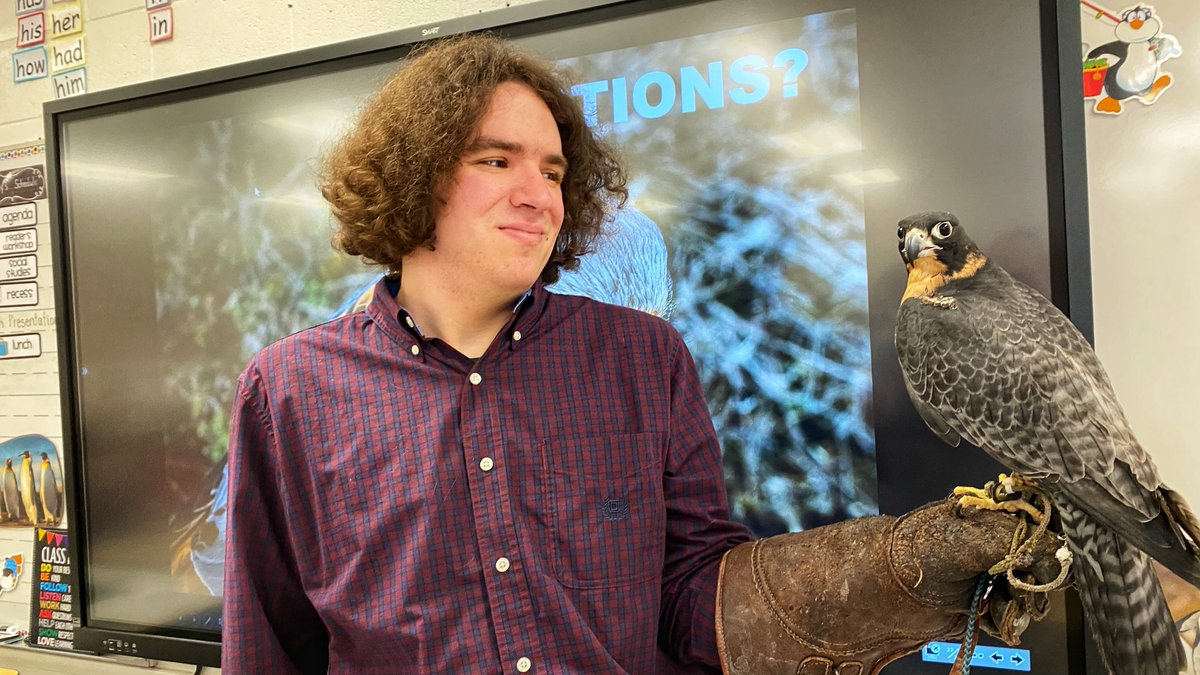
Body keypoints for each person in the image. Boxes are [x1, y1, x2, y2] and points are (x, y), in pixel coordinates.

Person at [223, 34, 1067, 674]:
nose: (537, 193)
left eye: (552, 171)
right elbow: (268, 644)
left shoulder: (643, 357)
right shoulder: (290, 388)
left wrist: (884, 575)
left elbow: (692, 592)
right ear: (415, 175)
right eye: (496, 159)